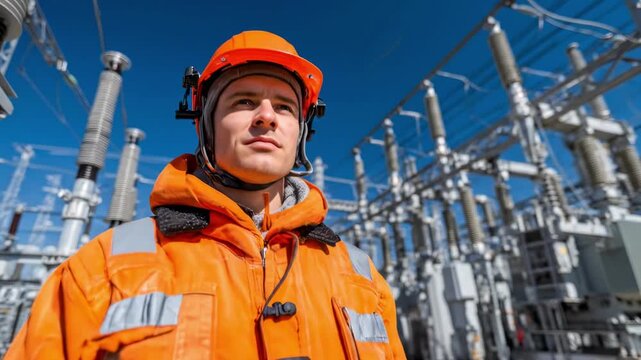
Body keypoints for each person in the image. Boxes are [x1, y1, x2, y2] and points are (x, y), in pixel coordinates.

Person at [6, 30, 406, 359]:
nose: (266, 115)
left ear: (301, 132)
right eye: (244, 100)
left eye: (285, 106)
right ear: (206, 126)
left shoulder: (363, 277)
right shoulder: (104, 267)